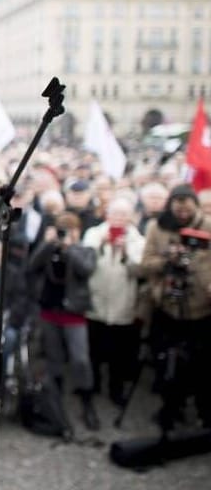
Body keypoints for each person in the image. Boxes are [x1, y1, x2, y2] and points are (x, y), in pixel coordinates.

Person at [140, 184, 211, 430]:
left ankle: (203, 410)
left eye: (187, 207)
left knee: (201, 363)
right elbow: (146, 263)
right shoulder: (157, 227)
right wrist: (167, 259)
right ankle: (171, 407)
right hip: (167, 306)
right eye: (177, 207)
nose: (182, 212)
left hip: (200, 309)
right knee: (165, 360)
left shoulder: (208, 227)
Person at [29, 212, 99, 432]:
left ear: (78, 231)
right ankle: (56, 401)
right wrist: (48, 244)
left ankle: (86, 400)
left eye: (70, 229)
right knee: (54, 358)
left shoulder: (85, 250)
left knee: (80, 359)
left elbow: (86, 270)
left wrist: (69, 248)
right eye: (62, 229)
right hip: (50, 311)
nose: (65, 233)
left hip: (73, 314)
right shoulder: (50, 248)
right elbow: (32, 265)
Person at [82, 197, 145, 406]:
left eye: (123, 215)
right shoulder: (93, 233)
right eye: (115, 214)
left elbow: (140, 271)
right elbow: (84, 263)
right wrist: (102, 244)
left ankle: (115, 389)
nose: (118, 219)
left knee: (119, 354)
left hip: (122, 304)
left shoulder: (138, 240)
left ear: (130, 218)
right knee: (93, 349)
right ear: (107, 215)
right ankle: (93, 384)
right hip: (96, 302)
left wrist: (125, 252)